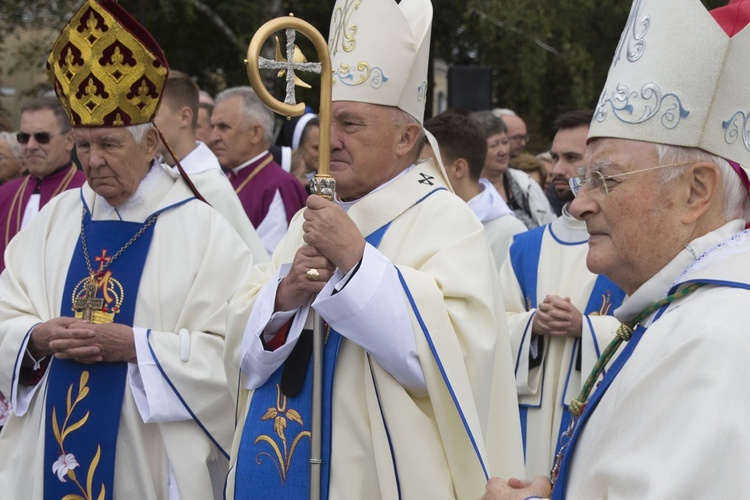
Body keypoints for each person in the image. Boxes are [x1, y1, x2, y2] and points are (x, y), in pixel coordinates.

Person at [224, 0, 525, 497]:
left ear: (407, 137)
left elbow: (456, 366)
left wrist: (358, 262)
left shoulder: (446, 221)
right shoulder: (310, 218)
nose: (329, 141)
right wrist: (284, 297)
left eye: (351, 124)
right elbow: (243, 348)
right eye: (327, 122)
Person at [482, 0, 750, 498]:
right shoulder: (690, 309)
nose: (579, 204)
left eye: (606, 179)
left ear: (696, 191)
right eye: (584, 179)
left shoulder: (716, 338)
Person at [0, 1, 252, 498]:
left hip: (149, 461)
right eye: (83, 145)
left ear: (152, 142)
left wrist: (137, 348)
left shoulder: (204, 230)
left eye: (110, 145)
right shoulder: (57, 218)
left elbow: (234, 354)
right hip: (46, 453)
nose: (93, 162)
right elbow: (7, 310)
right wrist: (36, 337)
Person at [500, 110, 625, 481]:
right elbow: (487, 332)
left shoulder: (629, 248)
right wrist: (531, 324)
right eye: (555, 157)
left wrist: (583, 328)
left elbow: (650, 332)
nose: (556, 168)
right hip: (524, 421)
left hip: (594, 421)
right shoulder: (524, 248)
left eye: (571, 159)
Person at [154, 70, 269, 263]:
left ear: (184, 117)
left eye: (153, 113)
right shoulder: (155, 178)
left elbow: (251, 266)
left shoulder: (210, 187)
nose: (144, 123)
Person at [211, 86, 308, 254]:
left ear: (256, 133)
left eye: (224, 127)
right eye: (213, 127)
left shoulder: (280, 186)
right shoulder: (225, 178)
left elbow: (270, 263)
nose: (214, 137)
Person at [424, 112, 526, 268]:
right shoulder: (428, 218)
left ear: (458, 168)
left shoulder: (510, 232)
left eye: (428, 166)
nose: (419, 175)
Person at [0, 97, 85, 273]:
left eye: (42, 137)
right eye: (24, 137)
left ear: (69, 141)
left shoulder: (88, 192)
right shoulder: (5, 194)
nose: (31, 146)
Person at [473, 110, 555, 229]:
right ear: (478, 150)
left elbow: (550, 227)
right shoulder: (466, 189)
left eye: (505, 142)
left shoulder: (527, 185)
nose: (503, 151)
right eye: (495, 145)